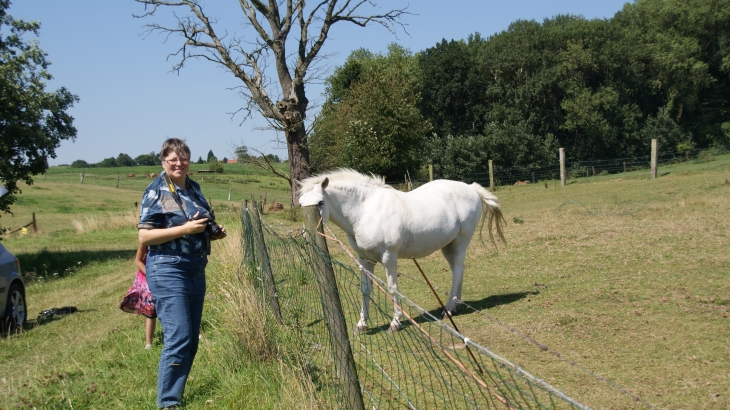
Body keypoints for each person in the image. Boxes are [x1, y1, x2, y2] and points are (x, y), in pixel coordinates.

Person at [138, 138, 227, 409]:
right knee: (179, 337)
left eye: (183, 158)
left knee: (190, 341)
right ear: (163, 161)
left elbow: (200, 220)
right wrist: (184, 230)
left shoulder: (194, 187)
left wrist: (213, 232)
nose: (179, 163)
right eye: (172, 159)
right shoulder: (156, 191)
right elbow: (145, 235)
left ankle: (173, 394)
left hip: (195, 267)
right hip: (167, 267)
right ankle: (168, 403)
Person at [119, 243, 157, 350]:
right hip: (147, 277)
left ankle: (190, 333)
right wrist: (149, 275)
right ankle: (148, 343)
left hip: (166, 275)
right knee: (150, 311)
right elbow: (138, 260)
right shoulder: (146, 240)